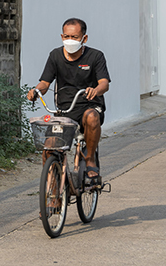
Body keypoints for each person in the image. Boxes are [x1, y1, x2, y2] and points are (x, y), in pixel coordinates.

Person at [27, 18, 110, 185]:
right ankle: (53, 192)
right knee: (49, 148)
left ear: (84, 38)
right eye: (66, 36)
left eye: (74, 36)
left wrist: (96, 90)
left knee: (91, 117)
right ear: (62, 36)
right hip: (65, 110)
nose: (70, 40)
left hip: (90, 105)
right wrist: (36, 90)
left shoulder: (96, 56)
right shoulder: (55, 55)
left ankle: (90, 159)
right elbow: (45, 82)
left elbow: (104, 83)